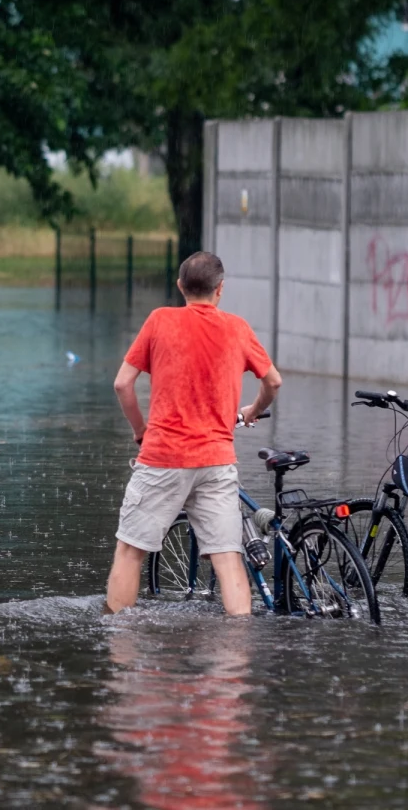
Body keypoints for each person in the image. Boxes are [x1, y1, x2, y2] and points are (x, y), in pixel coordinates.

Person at [104, 251, 282, 616]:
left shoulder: (160, 320)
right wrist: (253, 410)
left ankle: (119, 653)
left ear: (180, 287)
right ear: (220, 290)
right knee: (228, 557)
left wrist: (141, 431)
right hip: (217, 461)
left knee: (130, 551)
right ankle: (235, 655)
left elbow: (123, 385)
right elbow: (273, 382)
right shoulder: (237, 328)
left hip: (163, 457)